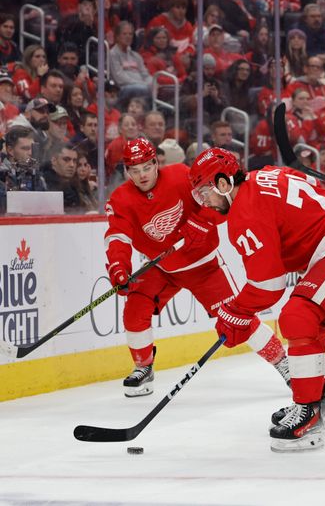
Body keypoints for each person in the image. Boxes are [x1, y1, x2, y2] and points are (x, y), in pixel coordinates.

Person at [188, 147, 325, 452]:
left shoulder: (244, 213)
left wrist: (235, 311)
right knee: (308, 324)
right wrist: (238, 311)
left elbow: (268, 286)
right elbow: (303, 185)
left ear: (224, 184)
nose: (204, 202)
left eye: (204, 193)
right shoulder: (263, 175)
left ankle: (309, 412)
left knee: (298, 316)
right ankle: (311, 402)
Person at [104, 138, 290, 397]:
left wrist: (203, 223)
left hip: (203, 267)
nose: (141, 175)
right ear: (127, 171)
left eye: (146, 167)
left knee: (237, 318)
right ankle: (143, 368)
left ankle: (284, 363)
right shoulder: (121, 198)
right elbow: (117, 236)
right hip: (161, 268)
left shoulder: (181, 175)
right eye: (134, 171)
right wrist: (118, 266)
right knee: (135, 309)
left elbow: (217, 198)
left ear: (156, 162)